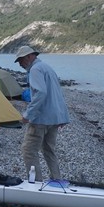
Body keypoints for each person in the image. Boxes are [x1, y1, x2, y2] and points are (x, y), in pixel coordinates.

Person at [14, 46, 70, 181]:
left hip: (41, 118)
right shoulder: (47, 67)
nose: (20, 64)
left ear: (29, 56)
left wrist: (28, 115)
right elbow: (57, 93)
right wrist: (63, 116)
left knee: (29, 151)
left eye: (21, 60)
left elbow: (41, 93)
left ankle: (36, 183)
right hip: (54, 118)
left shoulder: (35, 69)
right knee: (49, 150)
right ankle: (56, 180)